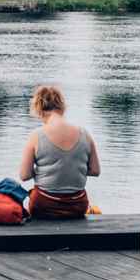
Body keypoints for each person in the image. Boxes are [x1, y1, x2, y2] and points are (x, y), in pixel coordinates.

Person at [18, 84, 99, 219]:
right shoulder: (85, 134)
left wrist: (46, 171)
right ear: (62, 107)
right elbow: (95, 170)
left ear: (39, 108)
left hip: (43, 206)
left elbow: (24, 175)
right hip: (77, 206)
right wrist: (71, 169)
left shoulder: (36, 135)